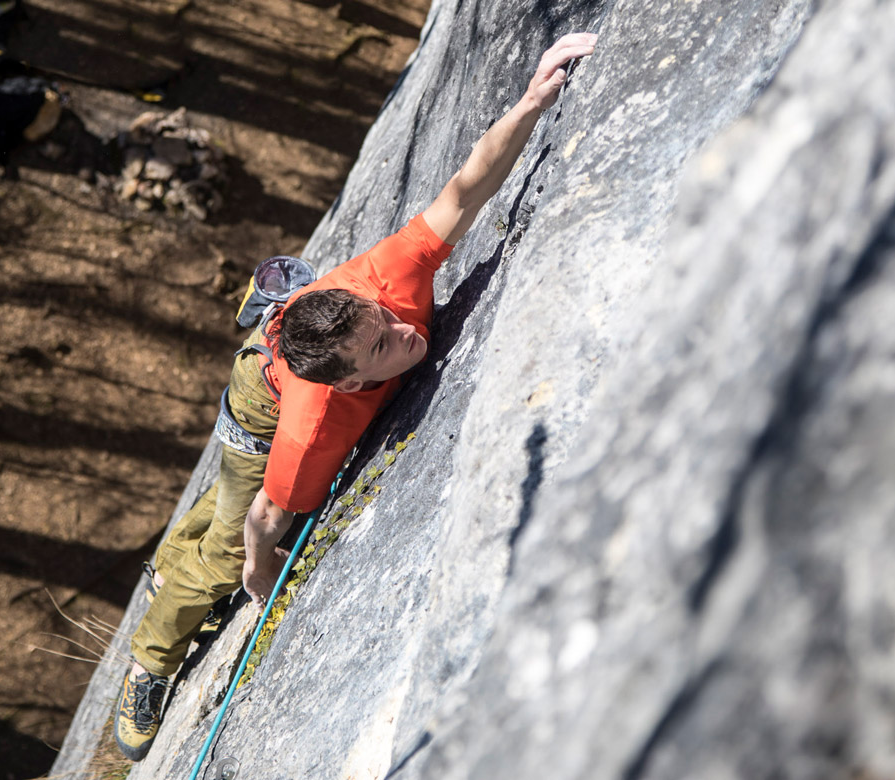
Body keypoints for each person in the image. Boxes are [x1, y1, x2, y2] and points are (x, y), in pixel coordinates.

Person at [113, 32, 598, 761]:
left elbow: (470, 184)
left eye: (388, 323)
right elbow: (266, 518)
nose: (407, 333)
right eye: (382, 349)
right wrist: (255, 568)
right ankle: (148, 662)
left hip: (312, 316)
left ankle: (280, 309)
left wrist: (531, 96)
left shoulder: (386, 284)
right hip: (264, 400)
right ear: (346, 383)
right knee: (220, 548)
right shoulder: (311, 427)